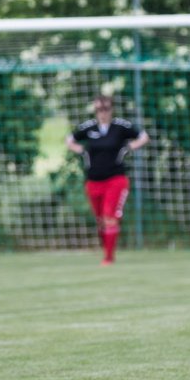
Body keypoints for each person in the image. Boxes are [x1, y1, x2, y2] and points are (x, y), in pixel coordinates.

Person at [65, 95, 150, 265]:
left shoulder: (120, 126)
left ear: (111, 109)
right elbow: (70, 139)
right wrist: (81, 150)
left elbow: (143, 136)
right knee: (100, 220)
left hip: (115, 180)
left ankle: (108, 258)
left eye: (105, 109)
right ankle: (106, 250)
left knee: (109, 216)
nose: (102, 113)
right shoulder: (88, 127)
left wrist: (129, 147)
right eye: (98, 110)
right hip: (94, 181)